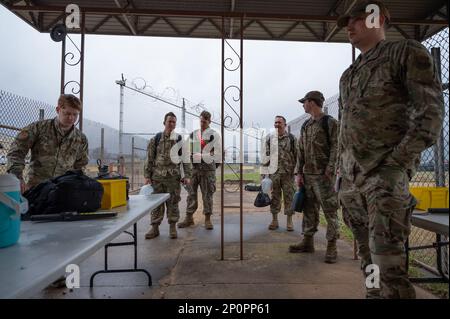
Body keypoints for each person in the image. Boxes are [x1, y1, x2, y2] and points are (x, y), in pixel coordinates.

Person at [336, 0, 444, 298]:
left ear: (378, 17)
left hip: (384, 179)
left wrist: (396, 163)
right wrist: (342, 175)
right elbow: (347, 130)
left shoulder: (405, 53)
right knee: (368, 260)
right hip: (352, 181)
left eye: (356, 19)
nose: (349, 26)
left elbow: (430, 115)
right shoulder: (349, 74)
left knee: (389, 267)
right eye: (348, 22)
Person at [289, 91, 340, 264]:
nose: (303, 105)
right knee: (309, 211)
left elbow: (336, 147)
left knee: (330, 211)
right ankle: (307, 242)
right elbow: (300, 151)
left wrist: (330, 169)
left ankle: (332, 246)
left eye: (304, 102)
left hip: (324, 177)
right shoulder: (306, 125)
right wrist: (299, 173)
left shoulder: (330, 123)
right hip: (308, 177)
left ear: (312, 102)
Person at [7, 94, 88, 193]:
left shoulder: (81, 139)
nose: (71, 118)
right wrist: (17, 177)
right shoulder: (38, 128)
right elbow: (16, 152)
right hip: (36, 189)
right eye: (67, 113)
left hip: (64, 191)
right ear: (58, 110)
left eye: (75, 114)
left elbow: (81, 166)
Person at [144, 112, 192, 239]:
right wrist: (147, 175)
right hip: (157, 177)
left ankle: (172, 227)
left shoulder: (179, 140)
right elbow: (149, 157)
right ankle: (155, 228)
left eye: (174, 122)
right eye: (169, 121)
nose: (171, 124)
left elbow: (186, 159)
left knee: (173, 203)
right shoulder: (156, 138)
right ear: (164, 122)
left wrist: (187, 175)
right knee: (156, 203)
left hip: (173, 178)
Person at [178, 111, 220, 230]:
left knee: (207, 196)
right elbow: (186, 151)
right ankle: (189, 218)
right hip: (194, 170)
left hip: (207, 171)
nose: (202, 123)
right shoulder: (193, 135)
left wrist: (204, 157)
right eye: (201, 121)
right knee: (191, 195)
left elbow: (218, 154)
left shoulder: (214, 136)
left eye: (205, 121)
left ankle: (207, 219)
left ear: (209, 121)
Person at [262, 116, 298, 231]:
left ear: (285, 124)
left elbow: (298, 156)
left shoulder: (292, 139)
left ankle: (289, 221)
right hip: (274, 174)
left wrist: (297, 172)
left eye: (279, 122)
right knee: (275, 197)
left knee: (289, 197)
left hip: (289, 174)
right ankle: (274, 220)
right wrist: (264, 174)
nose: (277, 124)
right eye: (275, 122)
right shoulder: (269, 139)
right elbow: (265, 157)